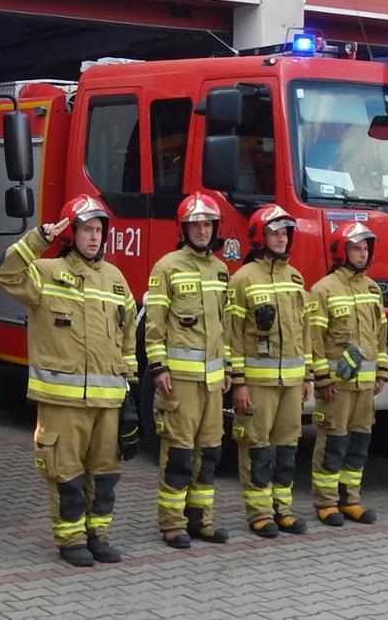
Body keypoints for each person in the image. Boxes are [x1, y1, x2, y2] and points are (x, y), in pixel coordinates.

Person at [0, 195, 141, 567]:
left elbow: (127, 338)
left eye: (98, 230)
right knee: (66, 475)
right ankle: (71, 540)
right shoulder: (45, 272)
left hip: (108, 403)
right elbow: (6, 274)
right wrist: (38, 238)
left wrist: (130, 391)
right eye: (86, 229)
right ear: (70, 233)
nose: (94, 237)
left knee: (105, 475)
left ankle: (98, 536)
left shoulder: (116, 280)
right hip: (62, 404)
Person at [143, 192, 234, 548]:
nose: (201, 230)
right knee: (179, 453)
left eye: (207, 224)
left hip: (213, 383)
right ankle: (172, 524)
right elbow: (154, 325)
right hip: (178, 383)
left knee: (209, 452)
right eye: (195, 225)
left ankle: (201, 521)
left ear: (215, 229)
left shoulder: (222, 270)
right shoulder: (166, 267)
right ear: (183, 228)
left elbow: (224, 326)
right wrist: (158, 367)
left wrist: (226, 368)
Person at [225, 204, 315, 537]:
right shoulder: (242, 279)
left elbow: (304, 330)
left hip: (291, 382)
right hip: (258, 384)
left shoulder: (295, 277)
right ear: (259, 237)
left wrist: (306, 375)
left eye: (285, 233)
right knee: (257, 448)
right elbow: (231, 334)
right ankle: (259, 514)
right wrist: (239, 383)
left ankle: (284, 510)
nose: (281, 238)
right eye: (274, 232)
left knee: (288, 449)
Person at [306, 221, 388, 526]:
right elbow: (314, 339)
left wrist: (381, 372)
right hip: (336, 387)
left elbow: (379, 335)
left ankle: (350, 499)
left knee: (358, 443)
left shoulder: (371, 288)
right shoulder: (323, 290)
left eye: (366, 248)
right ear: (342, 251)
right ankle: (326, 503)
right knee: (332, 442)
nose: (362, 253)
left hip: (365, 386)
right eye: (356, 248)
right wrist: (322, 378)